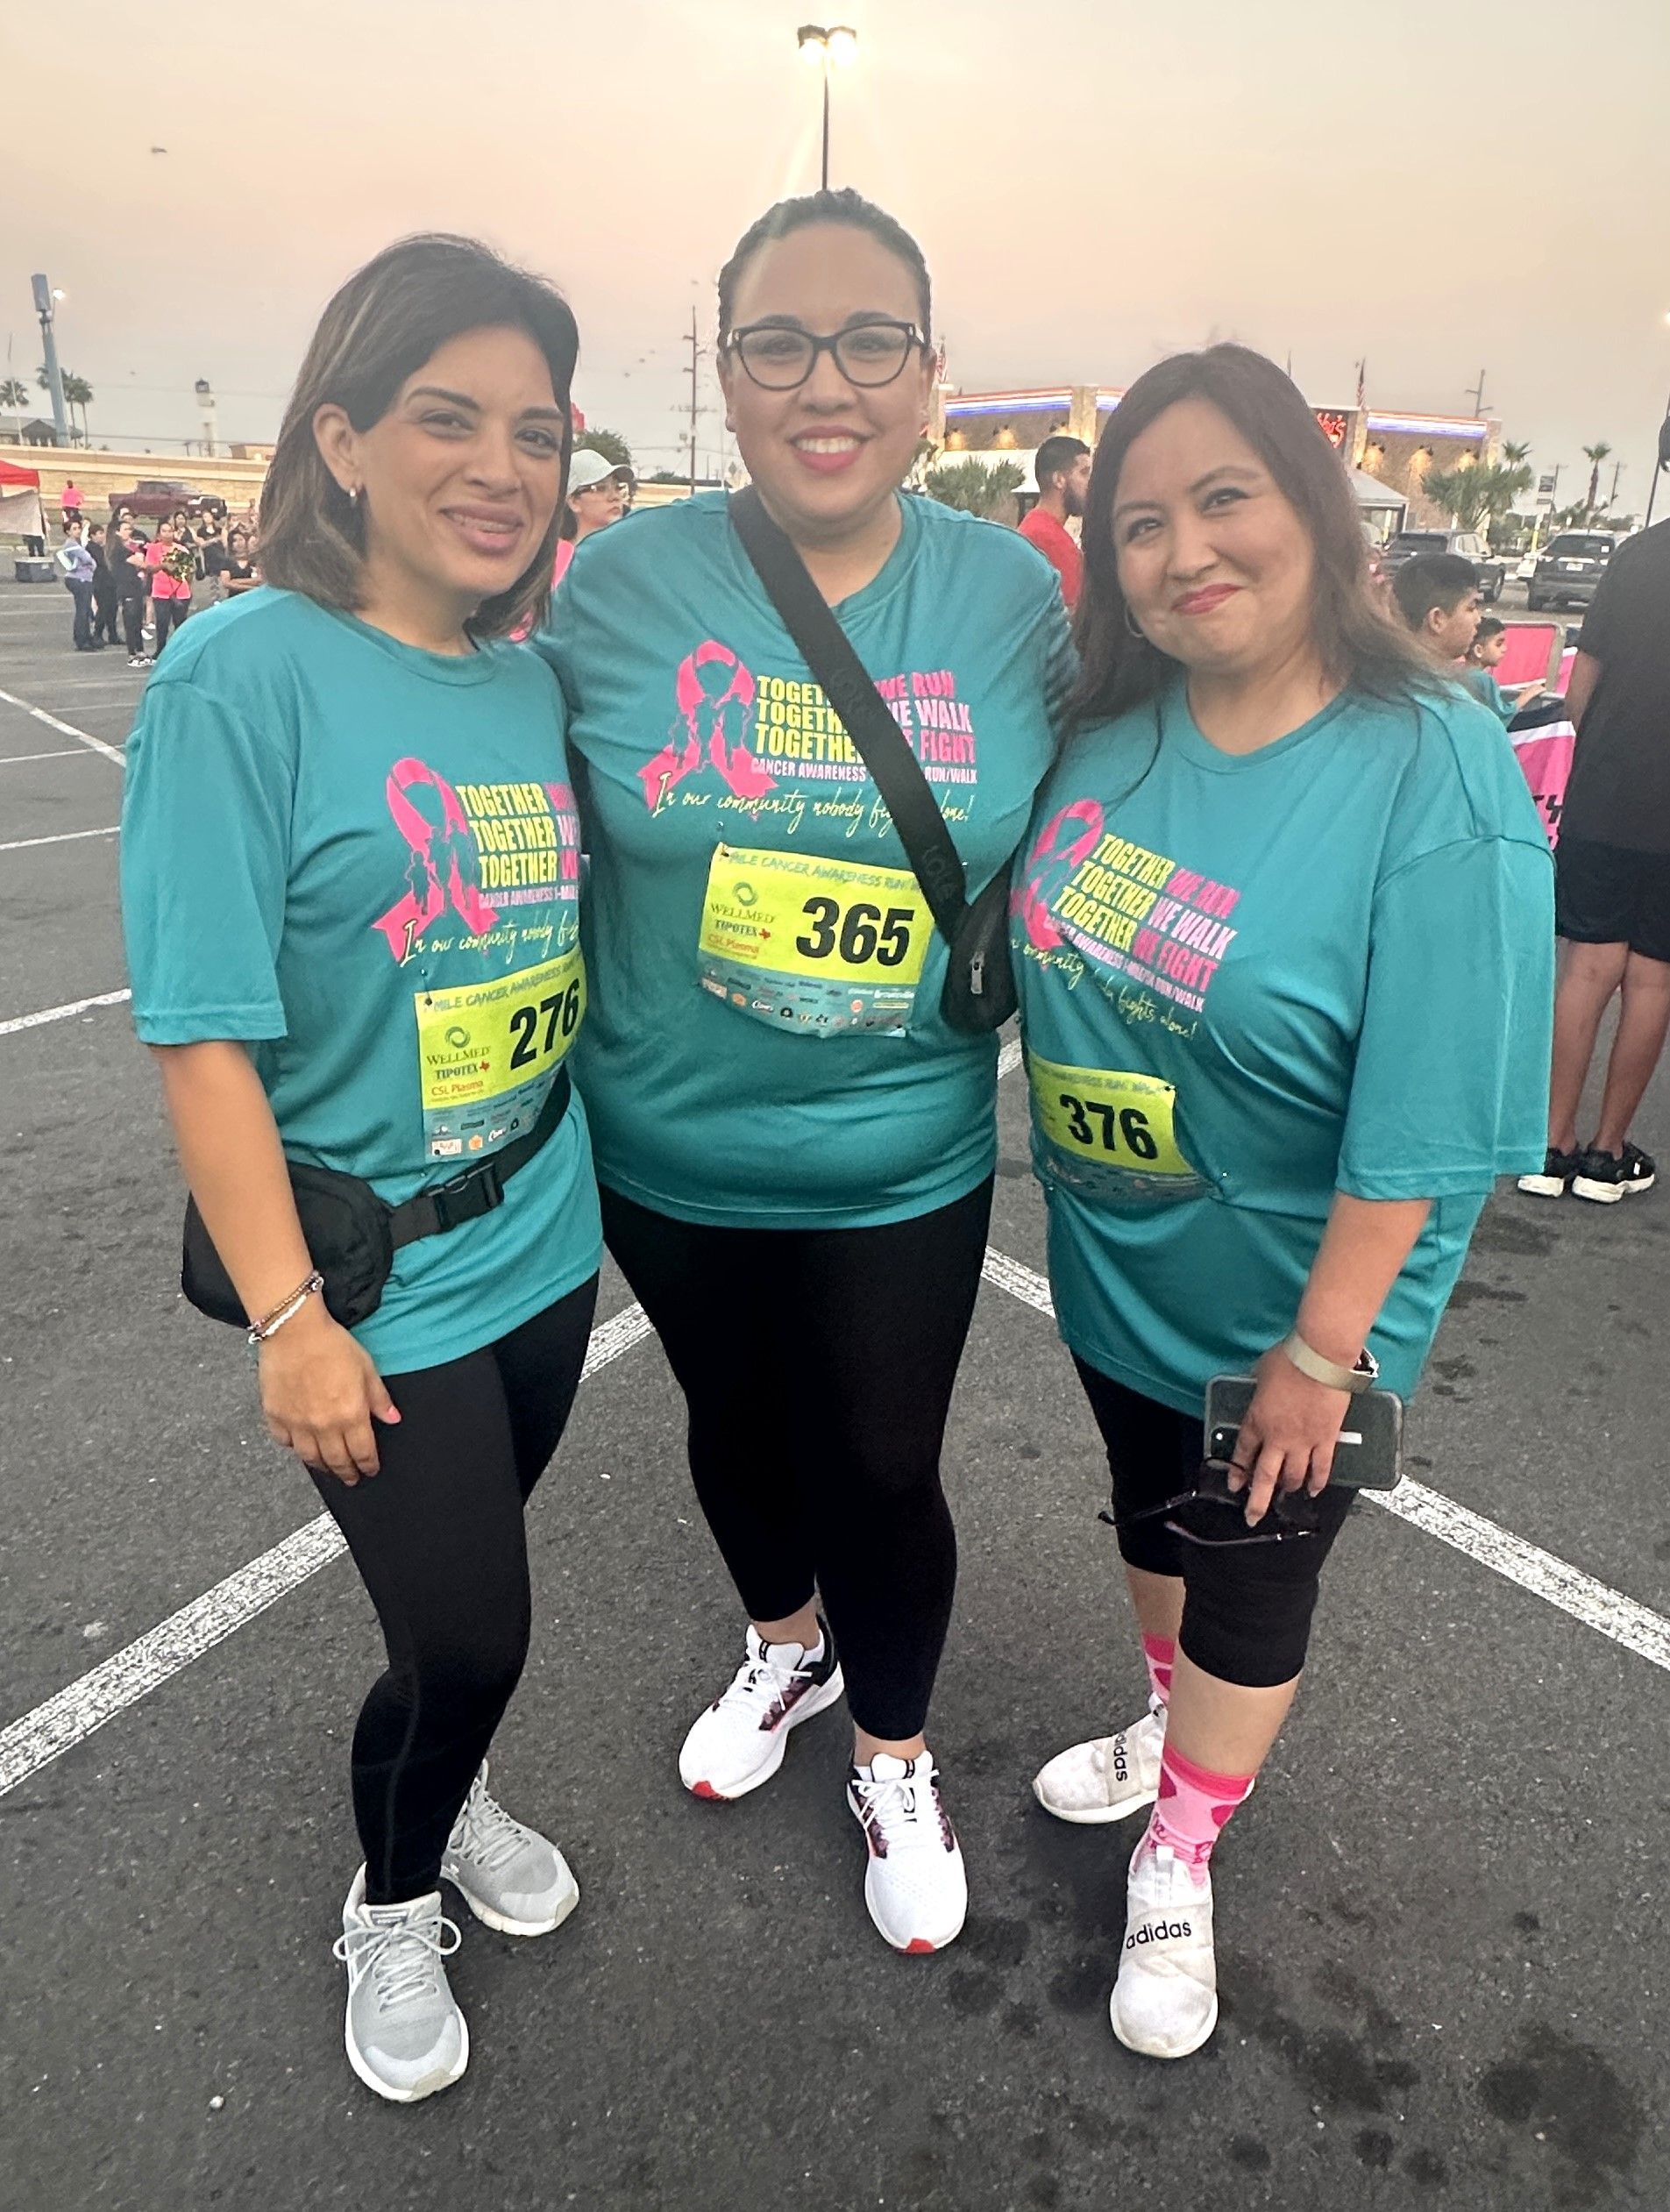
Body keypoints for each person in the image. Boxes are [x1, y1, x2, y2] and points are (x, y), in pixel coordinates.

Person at [539, 187, 1072, 1956]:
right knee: (731, 1421)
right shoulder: (621, 585)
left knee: (881, 1457)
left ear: (930, 374)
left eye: (868, 341)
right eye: (778, 342)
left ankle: (893, 1752)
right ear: (725, 371)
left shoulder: (1008, 596)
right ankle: (786, 1643)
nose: (822, 381)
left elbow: (1148, 765)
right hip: (666, 1140)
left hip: (897, 1147)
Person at [1013, 345, 1553, 2060]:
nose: (1184, 550)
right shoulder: (1108, 728)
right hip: (1116, 1267)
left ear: (1313, 510)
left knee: (1250, 1573)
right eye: (1140, 520)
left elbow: (1434, 1111)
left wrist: (1322, 1355)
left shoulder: (1434, 760)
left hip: (1307, 1314)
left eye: (1224, 496)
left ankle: (1181, 1845)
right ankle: (1167, 1722)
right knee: (1149, 1515)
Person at [120, 233, 600, 2104]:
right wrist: (286, 1317)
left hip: (543, 1233)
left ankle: (449, 1785)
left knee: (450, 1620)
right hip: (374, 1285)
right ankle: (391, 1895)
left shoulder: (522, 681)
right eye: (447, 418)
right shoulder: (240, 675)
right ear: (339, 440)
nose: (501, 467)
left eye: (537, 432)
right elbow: (201, 1033)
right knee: (472, 1630)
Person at [1518, 516, 1670, 1204]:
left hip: (1606, 796)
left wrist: (1610, 755)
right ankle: (1607, 1156)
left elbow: (1581, 685)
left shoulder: (1635, 556)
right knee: (1652, 976)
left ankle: (1550, 1145)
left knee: (1586, 965)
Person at [1019, 433, 1091, 610]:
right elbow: (1073, 615)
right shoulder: (1049, 539)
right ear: (1059, 480)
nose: (1091, 483)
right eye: (1084, 473)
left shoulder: (1034, 526)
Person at [551, 447, 630, 587]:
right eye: (600, 488)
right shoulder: (556, 559)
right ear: (574, 502)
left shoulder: (627, 554)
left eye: (618, 488)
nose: (615, 497)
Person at [1390, 550, 1482, 669]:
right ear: (1437, 619)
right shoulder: (1459, 679)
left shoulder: (1374, 670)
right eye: (1471, 608)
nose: (1478, 620)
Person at [1461, 615, 1540, 723]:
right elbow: (1499, 716)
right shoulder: (1485, 680)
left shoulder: (1456, 674)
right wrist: (1525, 697)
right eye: (1498, 644)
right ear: (1479, 650)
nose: (1505, 649)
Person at [145, 520, 195, 655]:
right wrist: (163, 565)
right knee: (162, 623)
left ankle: (180, 650)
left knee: (180, 624)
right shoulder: (153, 548)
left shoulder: (181, 549)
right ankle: (160, 650)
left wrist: (188, 586)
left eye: (170, 531)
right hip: (161, 592)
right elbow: (149, 568)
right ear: (159, 533)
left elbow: (190, 570)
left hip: (180, 592)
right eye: (164, 531)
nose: (167, 534)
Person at [53, 517, 98, 650]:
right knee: (82, 611)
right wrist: (92, 564)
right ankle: (82, 640)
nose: (77, 531)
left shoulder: (76, 544)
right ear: (68, 532)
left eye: (78, 528)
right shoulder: (71, 545)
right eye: (74, 529)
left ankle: (86, 637)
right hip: (79, 579)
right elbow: (88, 559)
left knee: (85, 610)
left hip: (82, 578)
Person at [112, 523, 153, 665]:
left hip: (136, 587)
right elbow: (141, 563)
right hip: (127, 588)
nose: (129, 532)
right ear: (118, 532)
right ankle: (132, 653)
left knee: (137, 621)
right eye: (125, 529)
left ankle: (140, 650)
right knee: (130, 620)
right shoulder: (119, 550)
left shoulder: (131, 548)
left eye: (130, 529)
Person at [86, 522, 121, 646]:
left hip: (109, 581)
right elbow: (102, 562)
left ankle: (113, 635)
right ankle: (97, 634)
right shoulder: (91, 548)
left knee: (113, 608)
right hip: (100, 582)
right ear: (92, 536)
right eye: (99, 533)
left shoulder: (101, 548)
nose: (102, 536)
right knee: (103, 608)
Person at [222, 526, 259, 595]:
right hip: (235, 597)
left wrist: (235, 581)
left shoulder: (254, 559)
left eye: (241, 539)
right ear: (231, 544)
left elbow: (259, 579)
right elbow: (226, 583)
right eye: (235, 541)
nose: (239, 543)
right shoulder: (227, 561)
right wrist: (250, 587)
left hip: (254, 595)